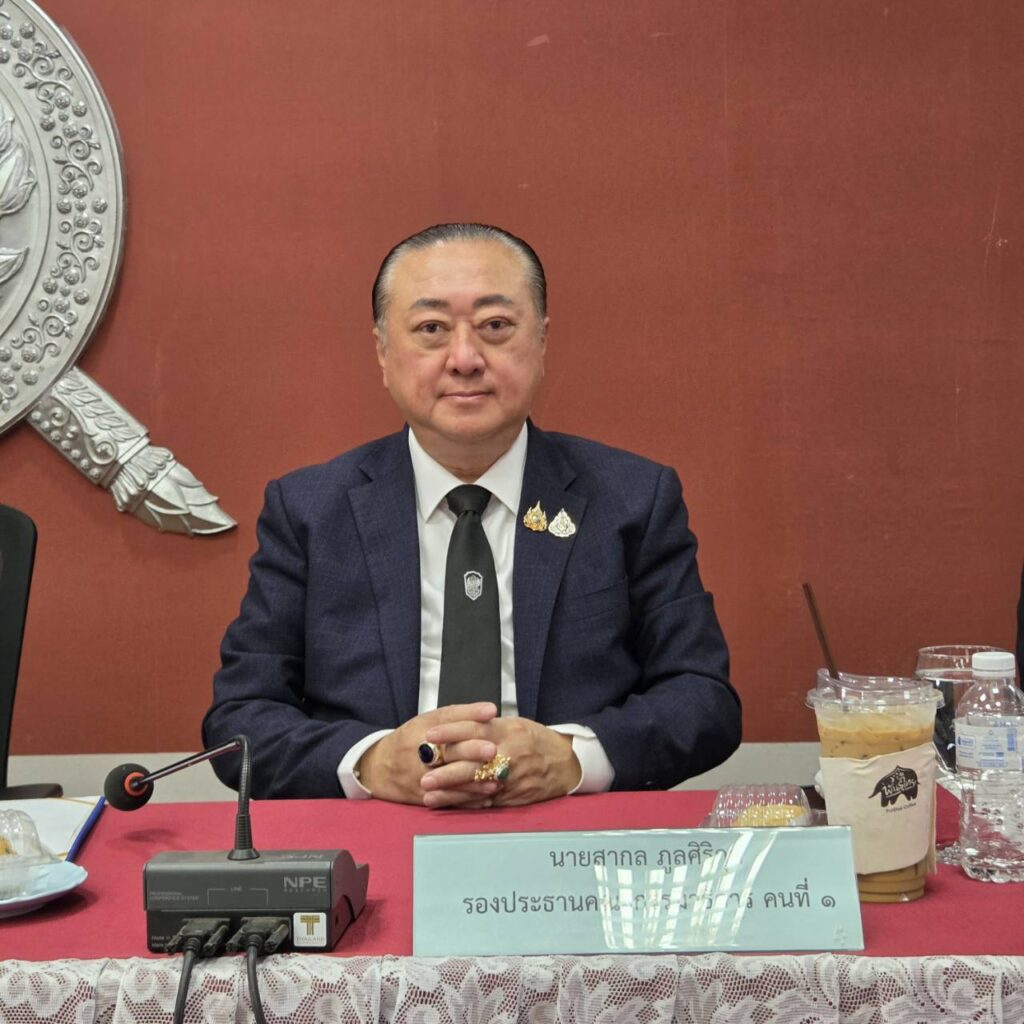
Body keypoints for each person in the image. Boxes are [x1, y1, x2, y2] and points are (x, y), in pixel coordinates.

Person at [202, 223, 741, 806]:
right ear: (383, 351)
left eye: (495, 326)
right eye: (431, 329)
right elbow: (241, 719)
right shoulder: (310, 510)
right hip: (374, 836)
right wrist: (371, 763)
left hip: (572, 837)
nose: (464, 359)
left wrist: (571, 758)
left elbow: (702, 698)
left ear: (541, 342)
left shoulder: (632, 498)